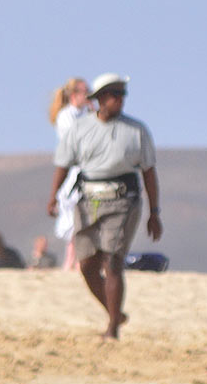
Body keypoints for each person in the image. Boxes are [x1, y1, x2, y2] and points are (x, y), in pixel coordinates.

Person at [46, 73, 161, 338]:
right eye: (113, 96)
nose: (119, 101)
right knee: (87, 264)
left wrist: (154, 212)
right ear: (99, 100)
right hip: (87, 201)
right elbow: (63, 164)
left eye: (122, 96)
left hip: (123, 201)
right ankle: (115, 313)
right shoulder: (80, 128)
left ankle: (112, 329)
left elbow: (149, 173)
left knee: (113, 262)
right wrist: (52, 197)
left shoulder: (137, 131)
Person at [48, 77, 91, 273]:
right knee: (73, 219)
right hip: (74, 173)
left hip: (85, 171)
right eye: (86, 92)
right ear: (75, 95)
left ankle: (77, 261)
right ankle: (72, 262)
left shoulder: (84, 115)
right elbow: (74, 142)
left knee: (83, 219)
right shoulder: (66, 116)